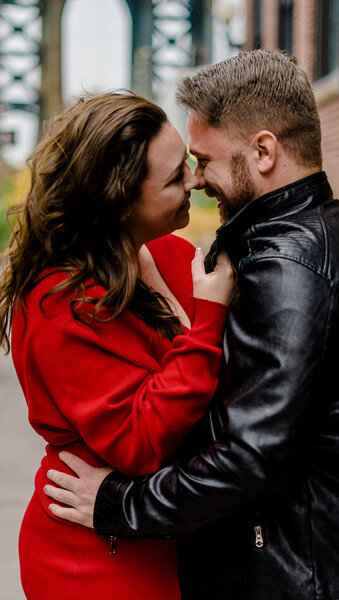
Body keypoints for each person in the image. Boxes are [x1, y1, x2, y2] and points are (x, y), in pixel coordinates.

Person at [44, 50, 339, 600]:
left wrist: (119, 503)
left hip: (304, 575)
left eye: (204, 159)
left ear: (263, 151)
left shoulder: (288, 265)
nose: (197, 177)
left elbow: (251, 455)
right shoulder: (338, 232)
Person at [0, 92, 235, 600]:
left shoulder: (169, 252)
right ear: (119, 201)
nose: (196, 182)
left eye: (190, 166)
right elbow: (139, 440)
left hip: (167, 535)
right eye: (175, 179)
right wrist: (210, 317)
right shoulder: (59, 301)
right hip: (94, 556)